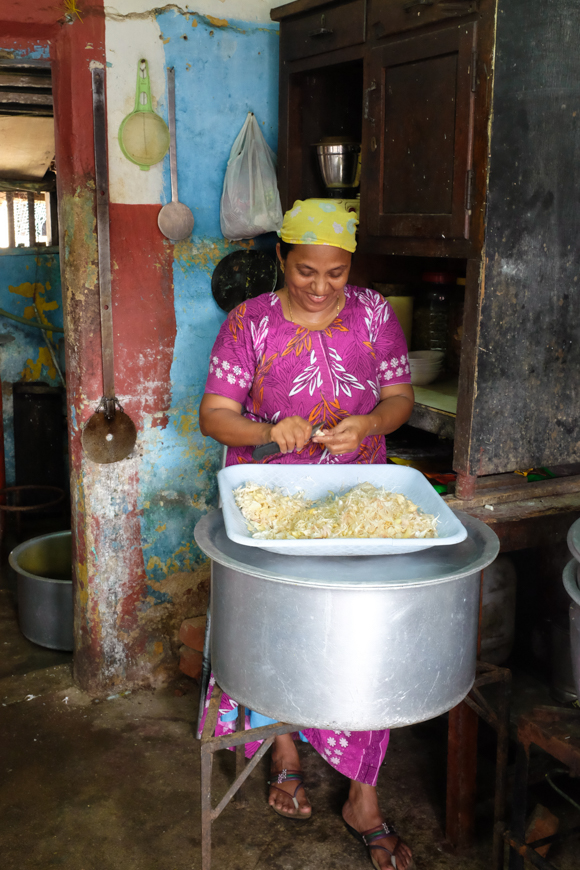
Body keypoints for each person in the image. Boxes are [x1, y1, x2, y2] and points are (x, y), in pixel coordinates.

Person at [199, 199, 415, 870]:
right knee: (269, 625)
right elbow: (214, 415)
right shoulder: (248, 323)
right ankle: (280, 747)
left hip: (356, 497)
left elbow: (399, 396)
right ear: (281, 260)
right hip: (267, 498)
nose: (321, 287)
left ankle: (362, 798)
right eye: (305, 271)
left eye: (336, 272)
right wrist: (268, 433)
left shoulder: (374, 313)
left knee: (361, 635)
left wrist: (371, 424)